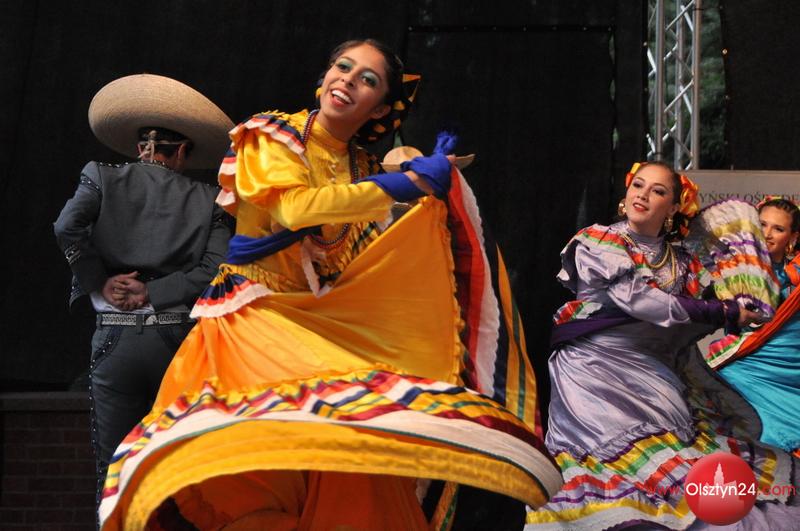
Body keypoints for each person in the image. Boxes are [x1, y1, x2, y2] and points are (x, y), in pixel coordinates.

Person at [98, 39, 562, 530]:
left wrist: (425, 205)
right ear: (323, 79)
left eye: (368, 79)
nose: (348, 80)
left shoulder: (362, 169)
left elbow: (364, 256)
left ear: (378, 107)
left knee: (355, 460)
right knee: (253, 475)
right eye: (343, 67)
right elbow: (294, 208)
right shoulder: (271, 134)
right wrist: (401, 186)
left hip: (318, 325)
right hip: (252, 322)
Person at [525, 162, 799, 530]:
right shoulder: (599, 242)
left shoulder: (682, 261)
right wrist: (723, 310)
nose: (643, 195)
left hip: (655, 376)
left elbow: (687, 322)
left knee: (680, 469)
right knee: (611, 474)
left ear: (673, 207)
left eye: (658, 191)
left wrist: (739, 304)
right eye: (638, 186)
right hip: (593, 375)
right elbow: (642, 302)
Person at [53, 74, 233, 511]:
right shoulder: (211, 198)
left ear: (140, 147)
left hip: (115, 338)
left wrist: (99, 281)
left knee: (114, 468)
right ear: (183, 151)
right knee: (177, 467)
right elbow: (215, 269)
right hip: (176, 340)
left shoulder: (99, 175)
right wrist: (154, 293)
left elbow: (66, 227)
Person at [714, 197, 800, 452]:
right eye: (762, 224)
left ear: (792, 238)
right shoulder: (731, 270)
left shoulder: (795, 279)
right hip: (743, 369)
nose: (767, 233)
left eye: (778, 228)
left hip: (787, 373)